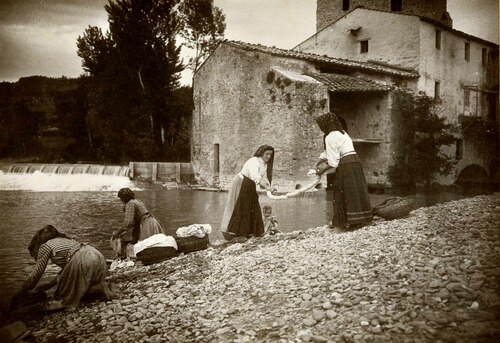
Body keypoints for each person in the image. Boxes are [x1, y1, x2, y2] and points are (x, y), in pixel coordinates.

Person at [9, 225, 115, 310]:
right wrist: (48, 285)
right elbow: (67, 270)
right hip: (96, 256)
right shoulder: (64, 240)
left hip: (83, 259)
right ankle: (100, 286)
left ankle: (100, 287)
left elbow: (37, 273)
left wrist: (22, 290)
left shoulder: (45, 246)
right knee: (78, 290)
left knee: (65, 296)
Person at [312, 112, 373, 229]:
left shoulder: (329, 137)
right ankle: (361, 218)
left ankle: (348, 221)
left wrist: (320, 171)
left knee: (343, 190)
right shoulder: (343, 133)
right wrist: (316, 164)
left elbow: (333, 162)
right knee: (356, 189)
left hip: (346, 165)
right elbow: (327, 153)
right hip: (355, 161)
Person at [221, 144, 276, 240]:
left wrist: (270, 187)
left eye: (270, 155)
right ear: (261, 153)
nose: (268, 156)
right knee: (242, 208)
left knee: (254, 206)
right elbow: (255, 176)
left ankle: (254, 232)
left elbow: (263, 177)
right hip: (242, 183)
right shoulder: (253, 161)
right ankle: (239, 234)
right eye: (267, 154)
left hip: (250, 185)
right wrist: (267, 188)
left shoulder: (264, 164)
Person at [113, 188, 165, 257]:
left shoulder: (130, 204)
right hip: (152, 221)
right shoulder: (137, 201)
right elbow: (134, 221)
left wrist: (118, 232)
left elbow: (128, 222)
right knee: (155, 243)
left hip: (146, 224)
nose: (121, 200)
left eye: (121, 198)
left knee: (146, 245)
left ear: (124, 198)